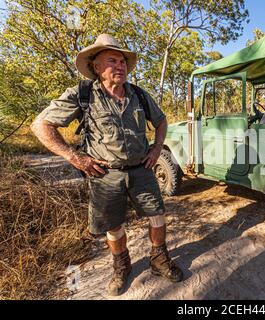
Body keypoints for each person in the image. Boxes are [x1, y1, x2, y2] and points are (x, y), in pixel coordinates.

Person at [31, 34, 183, 296]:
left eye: (123, 60)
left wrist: (157, 149)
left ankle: (159, 260)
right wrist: (74, 157)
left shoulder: (138, 94)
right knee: (114, 226)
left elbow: (161, 121)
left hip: (142, 170)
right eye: (112, 60)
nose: (120, 65)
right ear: (97, 67)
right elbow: (40, 125)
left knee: (157, 216)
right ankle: (121, 266)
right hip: (105, 176)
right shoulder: (83, 94)